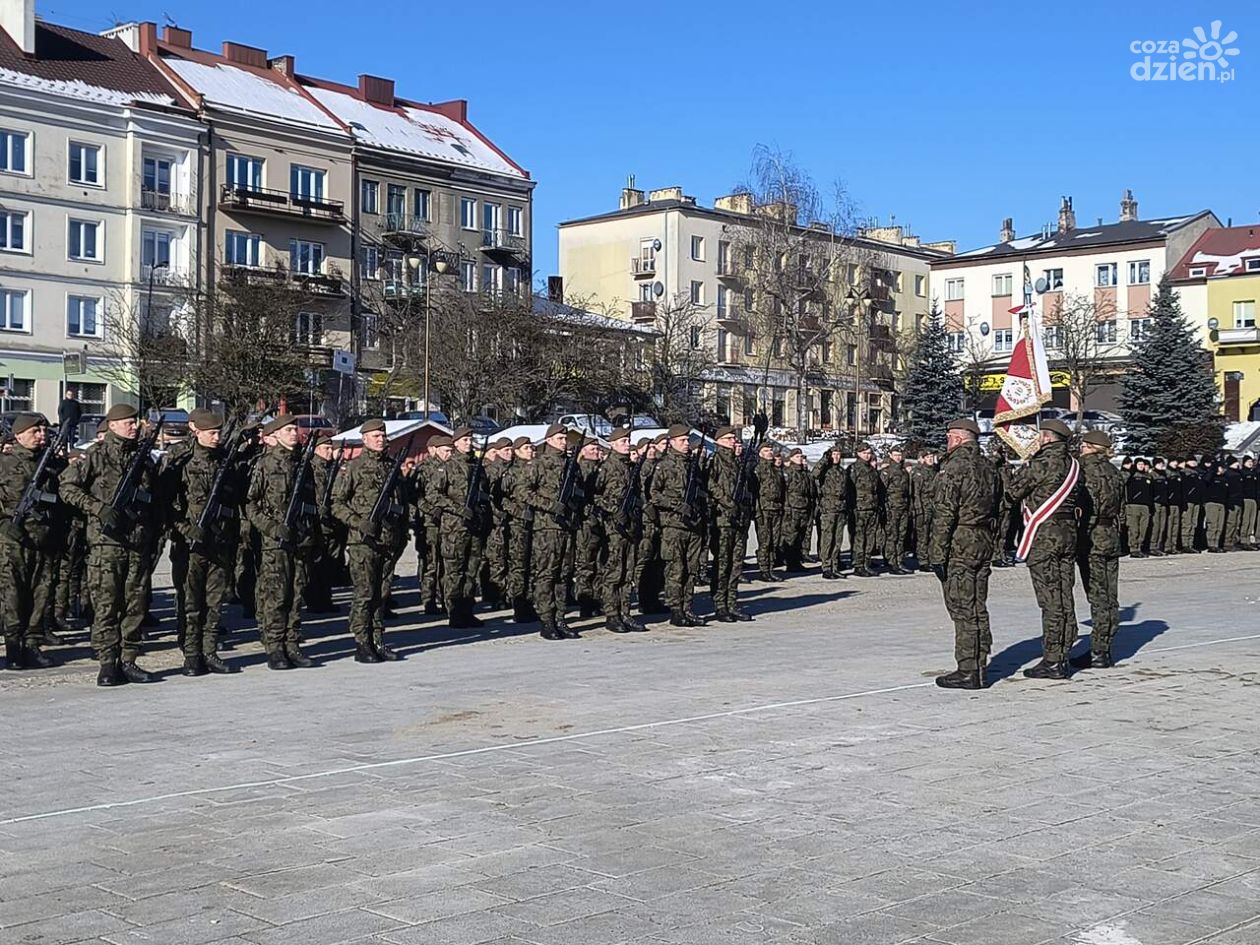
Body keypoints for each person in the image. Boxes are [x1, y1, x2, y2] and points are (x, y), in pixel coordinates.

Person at [59, 404, 162, 686]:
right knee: (106, 605)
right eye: (127, 422)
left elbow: (154, 498)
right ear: (113, 425)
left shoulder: (143, 458)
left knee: (135, 604)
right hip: (106, 544)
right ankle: (107, 662)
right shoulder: (96, 455)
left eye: (134, 422)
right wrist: (97, 508)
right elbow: (67, 487)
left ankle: (129, 659)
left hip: (137, 542)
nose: (133, 426)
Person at [1004, 418, 1081, 680]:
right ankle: (1065, 649)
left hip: (1044, 536)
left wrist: (1023, 471)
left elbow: (1012, 492)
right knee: (1064, 594)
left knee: (1050, 600)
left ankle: (1052, 660)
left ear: (1047, 439)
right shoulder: (1074, 465)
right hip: (1068, 535)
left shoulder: (1041, 464)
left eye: (1040, 436)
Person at [246, 414, 319, 671]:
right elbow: (250, 504)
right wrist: (272, 528)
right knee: (276, 595)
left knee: (297, 594)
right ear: (275, 434)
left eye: (295, 429)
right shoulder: (264, 464)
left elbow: (312, 503)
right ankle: (274, 645)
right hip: (275, 542)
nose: (293, 433)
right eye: (288, 430)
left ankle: (292, 642)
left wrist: (311, 533)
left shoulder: (303, 463)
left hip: (301, 538)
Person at [929, 419, 996, 689]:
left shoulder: (954, 467)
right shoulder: (989, 467)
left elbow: (944, 514)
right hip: (983, 539)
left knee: (962, 607)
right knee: (978, 605)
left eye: (948, 437)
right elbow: (1001, 508)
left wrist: (936, 554)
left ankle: (968, 669)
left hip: (960, 542)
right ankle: (979, 665)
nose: (947, 442)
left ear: (957, 439)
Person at [170, 411, 239, 676]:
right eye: (211, 432)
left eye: (219, 432)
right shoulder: (182, 462)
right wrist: (185, 529)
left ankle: (210, 651)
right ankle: (191, 654)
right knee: (190, 602)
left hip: (218, 541)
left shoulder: (224, 461)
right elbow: (168, 505)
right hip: (190, 544)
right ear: (196, 432)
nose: (216, 437)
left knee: (214, 601)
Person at [333, 419, 407, 663]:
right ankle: (361, 642)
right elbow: (336, 503)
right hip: (363, 541)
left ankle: (378, 639)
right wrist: (358, 522)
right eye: (375, 436)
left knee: (382, 593)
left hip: (388, 540)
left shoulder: (391, 466)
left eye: (382, 435)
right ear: (364, 439)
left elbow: (401, 504)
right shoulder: (353, 467)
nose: (380, 439)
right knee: (364, 593)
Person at [0, 413, 62, 670]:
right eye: (35, 431)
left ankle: (32, 644)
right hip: (12, 542)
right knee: (12, 596)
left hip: (43, 540)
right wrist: (4, 524)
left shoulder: (49, 465)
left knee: (41, 593)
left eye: (44, 431)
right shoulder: (4, 464)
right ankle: (14, 647)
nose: (42, 435)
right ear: (19, 435)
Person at [1073, 430, 1125, 670]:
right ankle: (1105, 646)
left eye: (1083, 445)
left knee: (1097, 596)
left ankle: (1097, 651)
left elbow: (1080, 505)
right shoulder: (1114, 472)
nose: (1080, 449)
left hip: (1091, 537)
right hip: (1111, 536)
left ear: (1092, 447)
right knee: (1109, 595)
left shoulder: (1083, 470)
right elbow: (1121, 509)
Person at [524, 424, 579, 640]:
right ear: (548, 440)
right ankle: (546, 620)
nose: (563, 442)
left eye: (565, 438)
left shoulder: (570, 465)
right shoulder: (538, 464)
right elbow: (523, 491)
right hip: (546, 526)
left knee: (563, 574)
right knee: (546, 574)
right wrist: (549, 505)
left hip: (566, 526)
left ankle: (560, 618)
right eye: (559, 438)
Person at [593, 427, 646, 632]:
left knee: (627, 572)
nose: (627, 444)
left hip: (631, 526)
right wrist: (614, 510)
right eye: (623, 441)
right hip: (613, 528)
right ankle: (612, 615)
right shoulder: (606, 467)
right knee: (613, 573)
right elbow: (595, 495)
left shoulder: (630, 467)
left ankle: (625, 612)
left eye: (627, 441)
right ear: (613, 444)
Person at [652, 424, 706, 626]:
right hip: (674, 526)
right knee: (676, 569)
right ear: (672, 442)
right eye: (682, 441)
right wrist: (677, 505)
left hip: (693, 524)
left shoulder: (692, 464)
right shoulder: (663, 465)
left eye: (687, 440)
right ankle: (676, 610)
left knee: (691, 569)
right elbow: (654, 495)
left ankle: (687, 607)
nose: (686, 444)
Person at [707, 426, 752, 623]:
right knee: (722, 563)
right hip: (723, 520)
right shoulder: (715, 461)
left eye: (734, 438)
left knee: (736, 563)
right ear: (718, 441)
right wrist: (726, 501)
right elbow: (709, 484)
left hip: (739, 518)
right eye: (729, 439)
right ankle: (719, 604)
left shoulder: (737, 461)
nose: (733, 441)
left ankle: (732, 602)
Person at [813, 443, 848, 580]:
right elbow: (814, 474)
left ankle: (835, 565)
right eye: (834, 454)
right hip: (828, 507)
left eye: (839, 455)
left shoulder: (842, 471)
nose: (837, 457)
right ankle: (826, 567)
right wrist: (824, 459)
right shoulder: (824, 470)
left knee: (837, 539)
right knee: (827, 538)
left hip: (840, 507)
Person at [754, 442, 784, 581]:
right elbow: (754, 492)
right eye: (766, 450)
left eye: (771, 450)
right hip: (764, 509)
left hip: (777, 509)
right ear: (760, 453)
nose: (770, 452)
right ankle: (763, 569)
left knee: (774, 541)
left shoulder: (777, 470)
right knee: (765, 542)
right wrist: (757, 511)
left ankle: (771, 568)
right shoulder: (758, 469)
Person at [849, 442, 880, 577]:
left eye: (869, 453)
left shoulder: (872, 470)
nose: (867, 456)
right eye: (864, 453)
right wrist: (852, 508)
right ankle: (858, 565)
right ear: (858, 454)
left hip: (872, 507)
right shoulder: (853, 469)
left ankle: (866, 563)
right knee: (859, 538)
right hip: (859, 508)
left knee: (870, 538)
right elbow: (849, 490)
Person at [880, 445, 911, 574]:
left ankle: (899, 559)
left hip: (903, 507)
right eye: (896, 455)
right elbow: (882, 491)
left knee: (901, 535)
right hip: (891, 508)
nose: (898, 457)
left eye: (900, 455)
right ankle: (891, 561)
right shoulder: (886, 472)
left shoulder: (904, 471)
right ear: (891, 456)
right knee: (892, 536)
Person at [780, 448, 813, 573]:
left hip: (804, 509)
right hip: (792, 509)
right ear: (791, 458)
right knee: (791, 537)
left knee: (800, 536)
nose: (800, 458)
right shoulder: (788, 473)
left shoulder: (804, 473)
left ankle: (797, 561)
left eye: (801, 456)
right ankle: (790, 563)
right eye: (797, 456)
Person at [910, 448, 938, 571]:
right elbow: (916, 493)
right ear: (923, 459)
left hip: (935, 507)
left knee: (933, 535)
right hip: (923, 506)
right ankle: (923, 560)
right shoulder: (919, 472)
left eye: (932, 457)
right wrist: (918, 509)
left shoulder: (935, 471)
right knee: (923, 535)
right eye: (928, 457)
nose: (931, 459)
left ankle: (932, 559)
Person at [1124, 458, 1154, 557]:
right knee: (1134, 528)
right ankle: (1133, 548)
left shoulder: (1148, 477)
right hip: (1133, 505)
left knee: (1143, 528)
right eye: (1139, 464)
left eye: (1142, 464)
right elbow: (1123, 482)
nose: (1141, 466)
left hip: (1145, 506)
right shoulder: (1131, 475)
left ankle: (1140, 547)